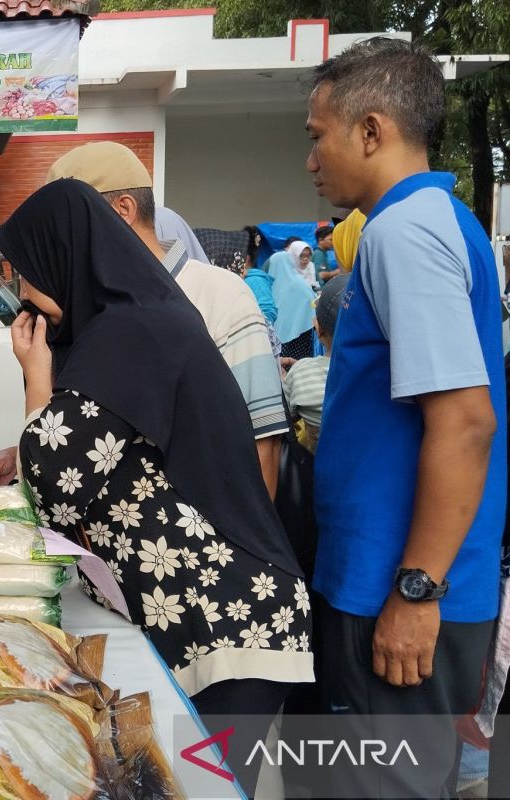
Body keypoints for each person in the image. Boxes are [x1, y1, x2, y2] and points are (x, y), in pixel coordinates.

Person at [0, 179, 312, 795]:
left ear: (64, 258)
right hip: (205, 615)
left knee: (194, 790)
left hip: (230, 624)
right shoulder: (131, 325)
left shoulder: (133, 332)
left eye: (25, 271)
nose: (21, 291)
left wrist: (35, 377)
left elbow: (55, 484)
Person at [307, 37, 504, 798]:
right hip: (393, 580)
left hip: (397, 590)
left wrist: (416, 593)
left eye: (318, 136)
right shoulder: (435, 220)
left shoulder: (405, 231)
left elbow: (464, 422)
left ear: (371, 130)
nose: (312, 159)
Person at [38, 141, 288, 497]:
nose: (59, 241)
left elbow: (263, 443)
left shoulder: (220, 294)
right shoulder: (88, 305)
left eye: (68, 222)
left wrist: (249, 546)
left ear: (123, 209)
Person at [283, 274, 347, 454]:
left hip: (320, 472)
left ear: (318, 329)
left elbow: (286, 417)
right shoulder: (388, 369)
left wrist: (294, 374)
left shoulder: (302, 372)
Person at [269, 249, 317, 361]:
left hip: (277, 337)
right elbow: (311, 301)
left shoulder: (271, 285)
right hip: (301, 332)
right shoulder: (299, 283)